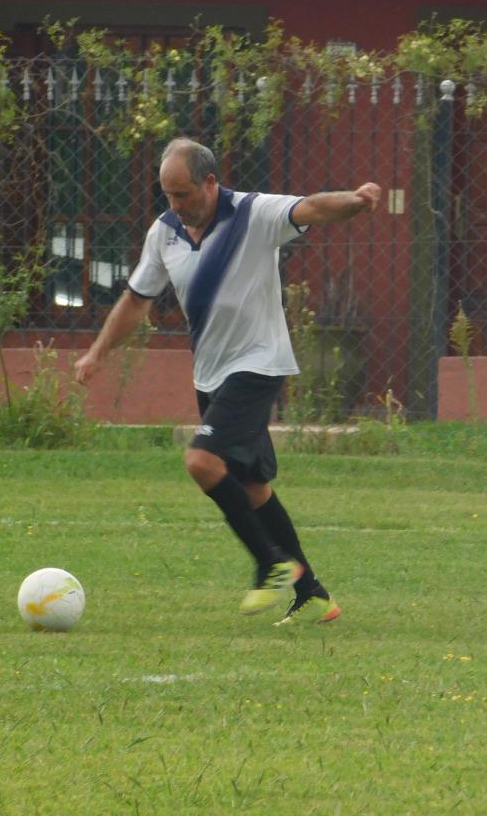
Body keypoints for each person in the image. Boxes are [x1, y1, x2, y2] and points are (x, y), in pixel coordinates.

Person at [74, 137, 380, 623]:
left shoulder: (253, 215)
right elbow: (136, 300)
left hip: (258, 365)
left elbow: (314, 207)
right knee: (251, 484)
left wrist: (357, 200)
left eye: (185, 194)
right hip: (211, 373)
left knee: (202, 461)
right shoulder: (165, 232)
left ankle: (271, 564)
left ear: (211, 182)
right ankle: (313, 593)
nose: (176, 205)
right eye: (168, 195)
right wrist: (97, 352)